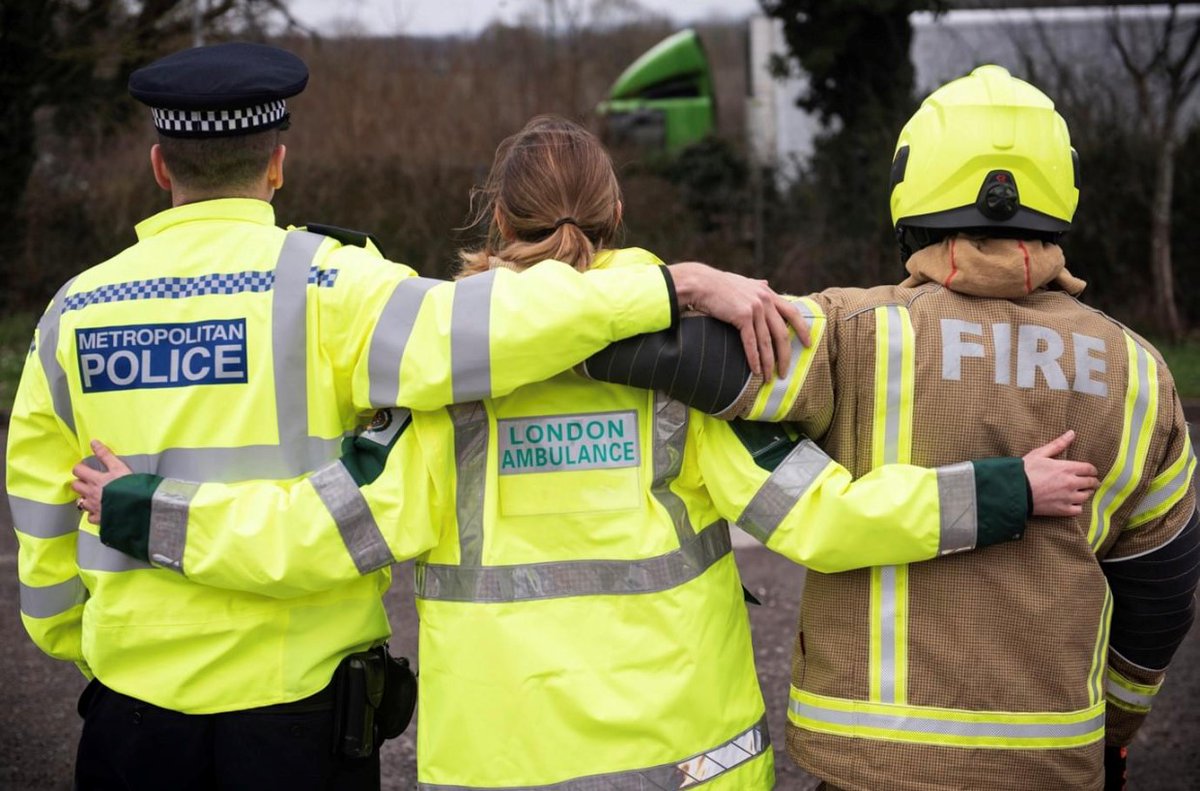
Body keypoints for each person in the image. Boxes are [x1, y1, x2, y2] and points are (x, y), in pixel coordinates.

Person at [75, 116, 1098, 789]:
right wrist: (1004, 489)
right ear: (616, 219)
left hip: (500, 768)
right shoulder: (694, 372)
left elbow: (309, 539)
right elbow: (827, 522)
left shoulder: (439, 394)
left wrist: (147, 512)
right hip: (690, 767)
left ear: (498, 221)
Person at [4, 44, 806, 790]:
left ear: (157, 165)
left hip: (131, 710)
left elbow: (40, 525)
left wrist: (87, 644)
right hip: (302, 703)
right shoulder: (332, 284)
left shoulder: (72, 311)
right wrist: (676, 288)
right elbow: (496, 327)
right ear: (278, 164)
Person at [579, 65, 1200, 790]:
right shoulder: (1139, 374)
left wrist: (668, 284)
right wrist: (1113, 733)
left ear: (913, 186)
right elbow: (1159, 594)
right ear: (1062, 190)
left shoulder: (856, 329)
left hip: (865, 761)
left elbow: (645, 347)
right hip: (1050, 761)